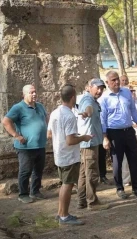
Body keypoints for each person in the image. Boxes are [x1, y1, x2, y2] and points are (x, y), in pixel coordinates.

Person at [48, 84, 92, 225]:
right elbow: (70, 140)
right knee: (68, 184)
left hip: (59, 154)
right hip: (69, 156)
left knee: (64, 184)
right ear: (73, 97)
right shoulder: (69, 116)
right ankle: (64, 215)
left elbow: (49, 134)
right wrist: (83, 137)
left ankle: (61, 213)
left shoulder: (55, 113)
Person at [99, 71, 137, 199]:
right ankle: (120, 188)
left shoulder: (126, 92)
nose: (116, 82)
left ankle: (136, 187)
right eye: (113, 80)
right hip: (114, 132)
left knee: (134, 159)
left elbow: (132, 110)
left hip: (129, 130)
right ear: (107, 82)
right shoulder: (104, 98)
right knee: (117, 161)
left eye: (117, 79)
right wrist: (104, 137)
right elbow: (102, 119)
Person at [2, 85, 48, 204]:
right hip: (26, 147)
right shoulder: (18, 108)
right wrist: (16, 135)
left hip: (40, 145)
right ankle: (23, 194)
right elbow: (6, 121)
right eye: (31, 92)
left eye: (35, 92)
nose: (34, 94)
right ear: (24, 95)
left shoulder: (40, 106)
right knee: (25, 171)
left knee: (38, 170)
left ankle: (35, 191)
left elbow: (45, 119)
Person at [77, 78, 109, 211]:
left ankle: (82, 200)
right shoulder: (88, 100)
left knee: (84, 173)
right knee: (92, 173)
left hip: (90, 142)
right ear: (90, 87)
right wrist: (86, 113)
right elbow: (88, 109)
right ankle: (92, 202)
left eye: (102, 88)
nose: (100, 91)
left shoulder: (93, 100)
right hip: (89, 143)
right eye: (97, 88)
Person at [123, 86, 137, 185]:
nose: (133, 93)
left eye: (133, 91)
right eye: (130, 91)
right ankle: (126, 179)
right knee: (125, 157)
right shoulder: (123, 103)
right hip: (127, 132)